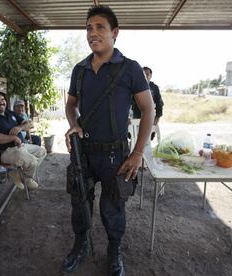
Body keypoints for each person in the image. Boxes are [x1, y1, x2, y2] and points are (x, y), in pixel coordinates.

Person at [63, 5, 154, 276]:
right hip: (84, 153)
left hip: (117, 155)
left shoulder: (130, 68)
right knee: (80, 203)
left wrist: (138, 153)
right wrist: (74, 124)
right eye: (89, 28)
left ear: (115, 32)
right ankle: (80, 245)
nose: (93, 33)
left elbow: (148, 109)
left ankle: (114, 251)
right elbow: (70, 105)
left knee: (112, 208)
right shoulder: (79, 70)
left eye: (100, 27)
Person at [0, 91, 47, 190]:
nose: (1, 102)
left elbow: (29, 123)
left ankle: (18, 174)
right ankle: (27, 180)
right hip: (5, 152)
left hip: (21, 146)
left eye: (2, 100)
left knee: (42, 151)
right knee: (32, 162)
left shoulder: (10, 113)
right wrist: (12, 137)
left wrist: (20, 127)